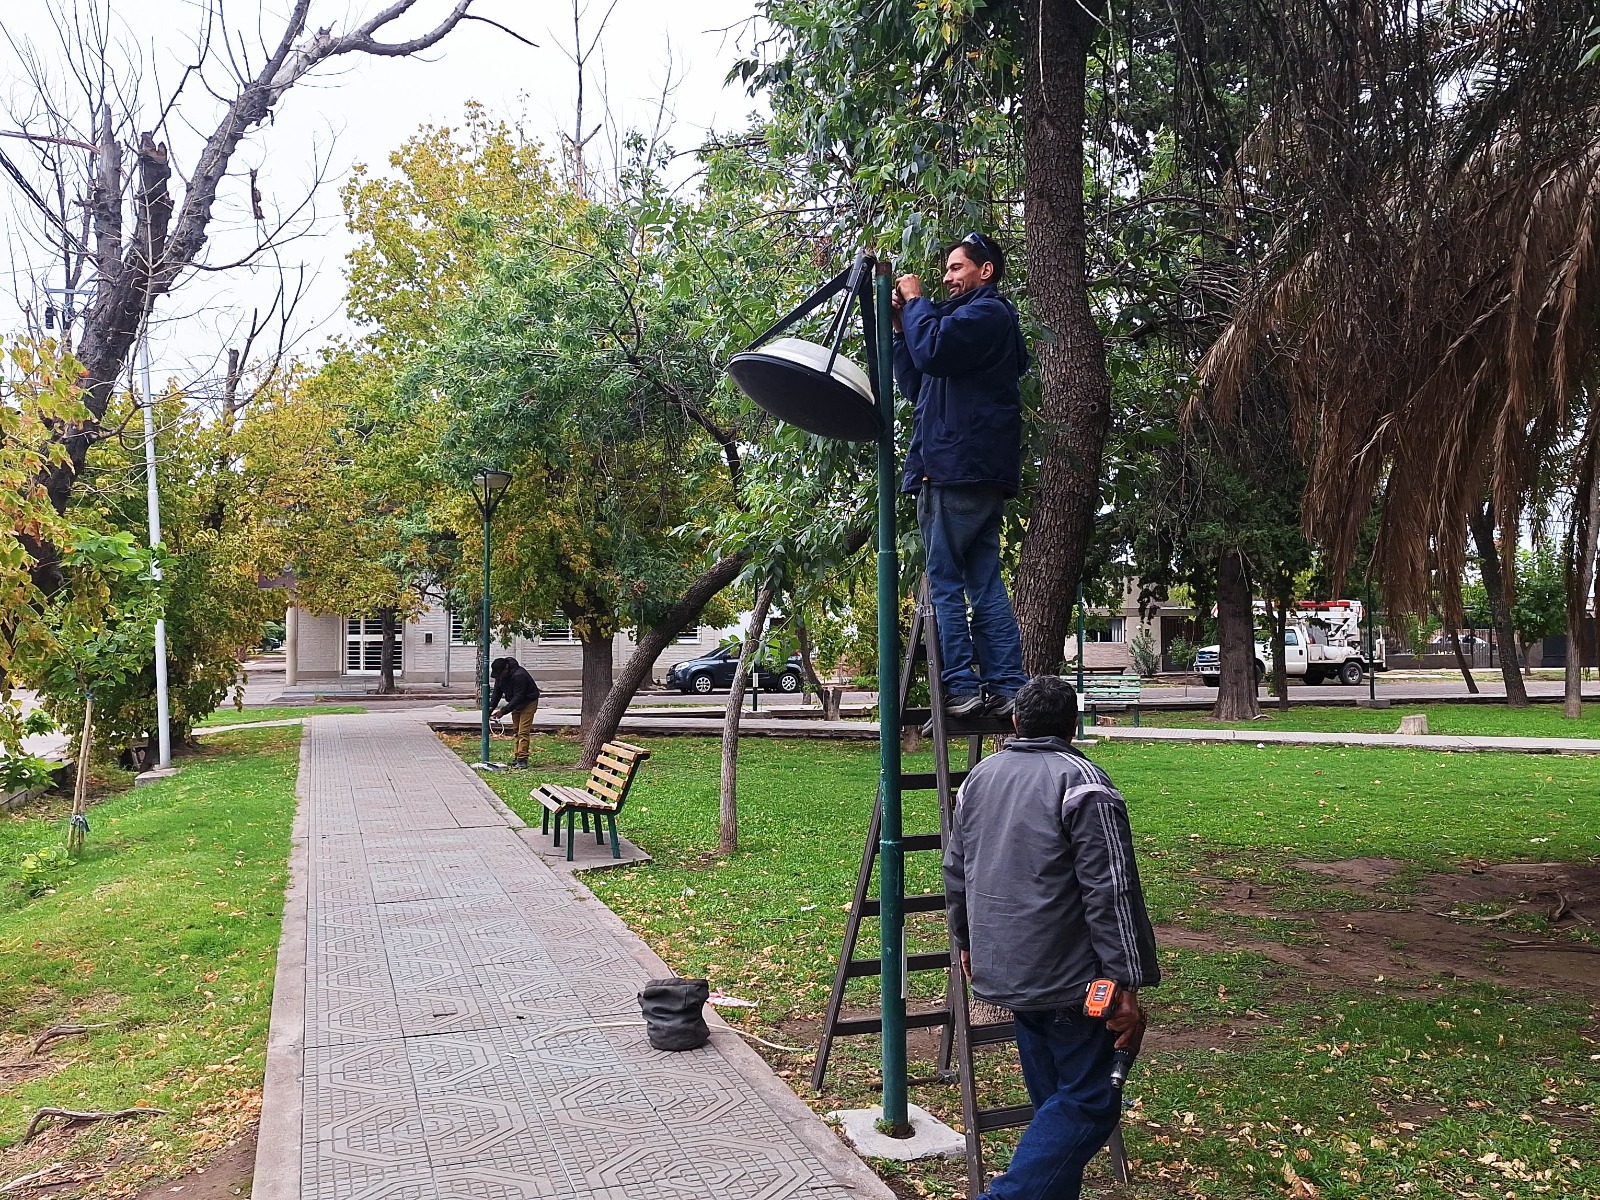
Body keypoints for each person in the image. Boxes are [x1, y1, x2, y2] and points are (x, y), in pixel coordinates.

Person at [944, 675, 1160, 1200]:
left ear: (1016, 722)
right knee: (1089, 1101)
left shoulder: (979, 778)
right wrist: (1125, 982)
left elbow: (956, 869)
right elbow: (1111, 890)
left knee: (1052, 1105)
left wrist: (966, 942)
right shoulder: (1085, 783)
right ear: (1073, 726)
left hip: (1006, 968)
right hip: (1072, 979)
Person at [893, 231, 1030, 720]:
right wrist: (900, 328)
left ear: (984, 271)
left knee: (946, 580)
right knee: (985, 581)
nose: (947, 278)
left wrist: (914, 300)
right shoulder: (963, 326)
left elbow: (932, 351)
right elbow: (917, 382)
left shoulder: (986, 313)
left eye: (956, 268)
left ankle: (960, 688)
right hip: (974, 471)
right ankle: (1007, 684)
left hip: (953, 469)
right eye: (946, 271)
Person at [488, 656, 540, 769]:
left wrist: (503, 711)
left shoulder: (519, 675)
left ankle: (522, 759)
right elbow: (497, 693)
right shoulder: (501, 675)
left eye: (500, 674)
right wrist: (491, 708)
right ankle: (517, 757)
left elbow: (519, 696)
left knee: (523, 731)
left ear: (506, 668)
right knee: (516, 730)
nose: (499, 678)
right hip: (515, 702)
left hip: (528, 701)